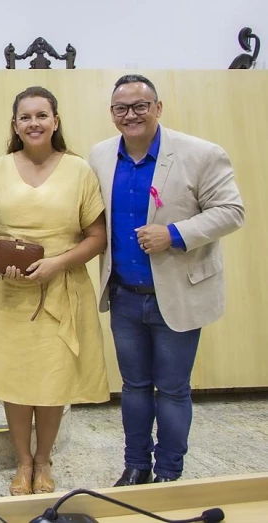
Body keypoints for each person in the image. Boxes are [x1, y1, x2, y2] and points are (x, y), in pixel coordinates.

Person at [89, 75, 245, 486]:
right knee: (134, 388)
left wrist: (174, 234)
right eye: (121, 108)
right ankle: (136, 466)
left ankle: (169, 474)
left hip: (178, 293)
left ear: (158, 108)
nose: (131, 115)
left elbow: (231, 210)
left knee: (173, 390)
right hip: (124, 294)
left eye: (140, 106)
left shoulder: (201, 154)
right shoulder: (100, 156)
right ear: (112, 114)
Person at [0, 86, 109, 496]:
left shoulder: (79, 170)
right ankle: (23, 462)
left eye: (41, 115)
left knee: (51, 382)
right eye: (25, 117)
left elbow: (96, 236)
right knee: (15, 380)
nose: (34, 123)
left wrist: (57, 264)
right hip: (7, 293)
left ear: (55, 121)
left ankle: (44, 459)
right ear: (15, 124)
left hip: (62, 289)